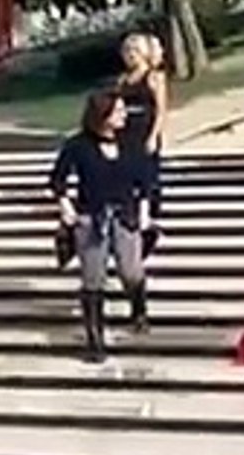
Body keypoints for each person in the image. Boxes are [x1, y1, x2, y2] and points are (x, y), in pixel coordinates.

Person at [50, 90, 155, 363]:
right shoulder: (78, 145)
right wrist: (66, 207)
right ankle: (95, 339)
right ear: (102, 115)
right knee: (93, 278)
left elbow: (145, 181)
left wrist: (144, 213)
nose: (124, 116)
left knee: (130, 270)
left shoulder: (130, 143)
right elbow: (58, 179)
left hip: (124, 214)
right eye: (118, 111)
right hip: (92, 217)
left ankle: (139, 308)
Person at [117, 32, 167, 218]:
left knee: (147, 170)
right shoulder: (123, 79)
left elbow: (161, 109)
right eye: (127, 51)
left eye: (134, 51)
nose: (130, 55)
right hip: (126, 129)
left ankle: (150, 209)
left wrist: (154, 135)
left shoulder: (154, 77)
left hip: (145, 127)